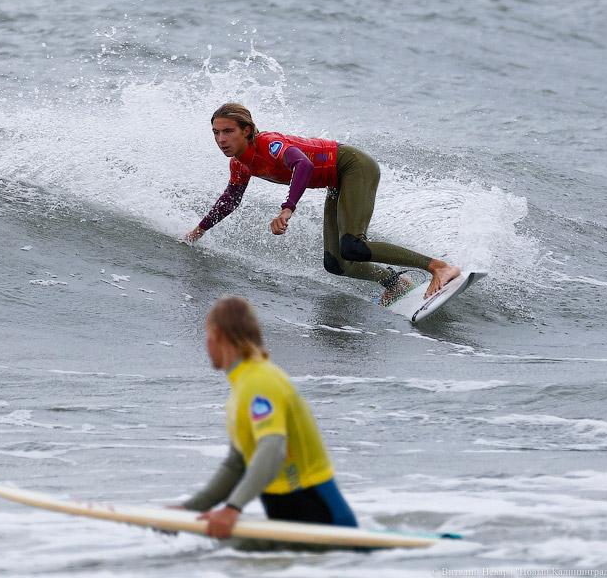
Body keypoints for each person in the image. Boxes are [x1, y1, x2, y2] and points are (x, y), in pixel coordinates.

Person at [184, 103, 461, 303]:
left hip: (352, 167)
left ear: (246, 130)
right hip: (336, 182)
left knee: (353, 245)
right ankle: (394, 283)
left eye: (227, 131)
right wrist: (200, 229)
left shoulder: (270, 145)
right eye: (216, 133)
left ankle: (438, 267)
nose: (221, 139)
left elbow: (302, 165)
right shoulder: (240, 165)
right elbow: (230, 200)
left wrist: (287, 207)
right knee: (337, 263)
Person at [180, 296, 357, 539]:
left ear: (218, 334)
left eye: (207, 335)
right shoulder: (242, 385)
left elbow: (273, 448)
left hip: (321, 517)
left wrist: (232, 509)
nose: (206, 343)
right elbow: (236, 464)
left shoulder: (260, 381)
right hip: (291, 518)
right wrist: (189, 510)